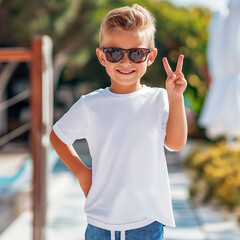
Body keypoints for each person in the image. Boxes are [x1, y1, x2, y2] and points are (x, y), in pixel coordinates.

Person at [50, 3, 187, 240]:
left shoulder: (159, 99)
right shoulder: (90, 104)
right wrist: (83, 174)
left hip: (147, 224)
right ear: (102, 56)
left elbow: (175, 144)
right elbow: (58, 136)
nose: (125, 62)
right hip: (99, 225)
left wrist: (176, 98)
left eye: (136, 53)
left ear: (150, 56)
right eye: (115, 53)